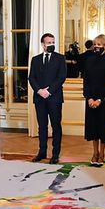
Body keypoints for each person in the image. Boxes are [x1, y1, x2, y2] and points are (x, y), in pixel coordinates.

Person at [28, 33, 67, 164]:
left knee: (56, 126)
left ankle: (55, 154)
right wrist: (39, 91)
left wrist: (48, 91)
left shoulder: (60, 58)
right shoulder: (35, 59)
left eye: (53, 42)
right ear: (43, 44)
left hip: (54, 98)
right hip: (39, 98)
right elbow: (31, 78)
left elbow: (61, 77)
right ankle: (42, 152)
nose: (51, 44)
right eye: (49, 42)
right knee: (42, 127)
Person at [83, 34, 105, 167]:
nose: (97, 47)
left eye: (100, 45)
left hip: (104, 100)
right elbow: (86, 81)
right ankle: (94, 153)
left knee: (103, 128)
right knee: (93, 128)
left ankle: (102, 154)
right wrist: (89, 98)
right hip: (91, 100)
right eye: (95, 44)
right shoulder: (89, 60)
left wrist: (100, 100)